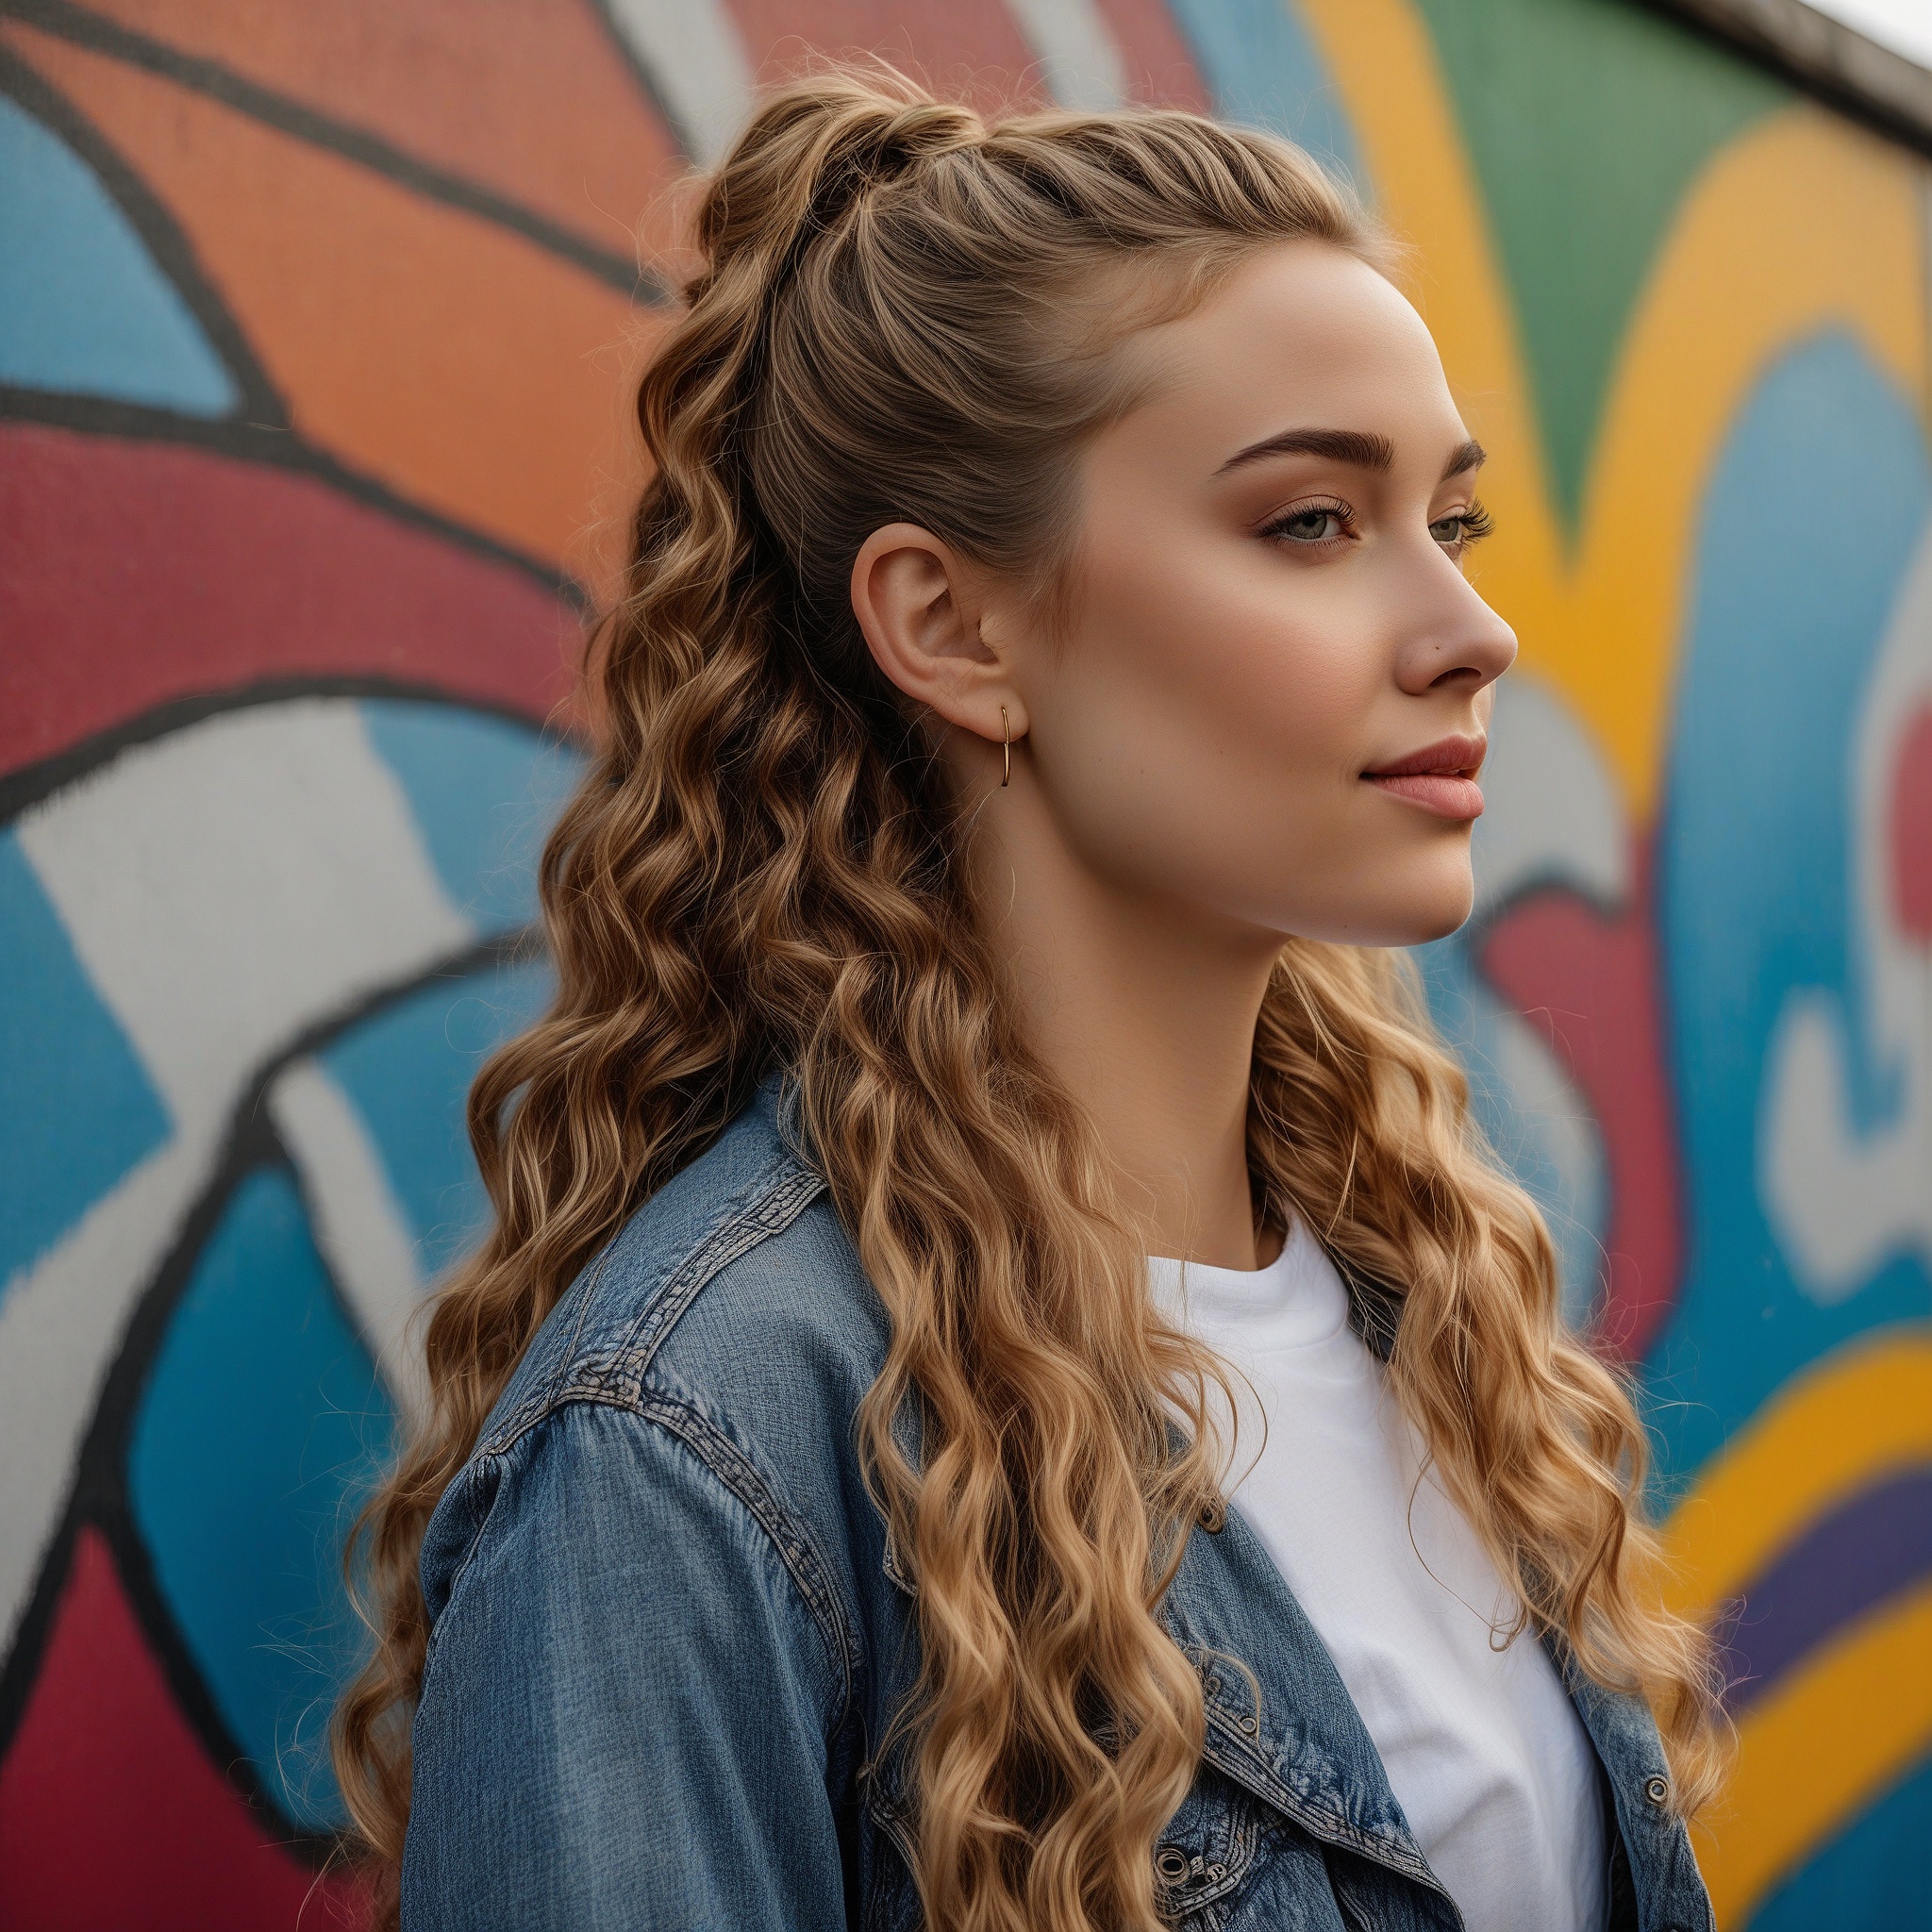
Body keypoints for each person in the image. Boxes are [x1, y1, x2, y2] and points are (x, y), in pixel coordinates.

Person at [334, 66, 1724, 1932]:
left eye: (1446, 525)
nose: (1468, 631)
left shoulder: (1434, 1308)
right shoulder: (695, 1449)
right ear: (953, 629)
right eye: (1312, 521)